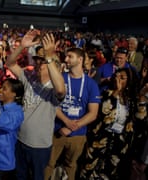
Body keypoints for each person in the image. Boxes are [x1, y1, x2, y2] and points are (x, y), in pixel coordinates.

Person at [6, 30, 66, 180]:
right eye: (37, 61)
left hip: (39, 146)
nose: (39, 64)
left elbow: (60, 90)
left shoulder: (54, 86)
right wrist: (22, 46)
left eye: (43, 62)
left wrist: (50, 57)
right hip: (20, 140)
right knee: (20, 176)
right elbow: (10, 63)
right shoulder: (29, 78)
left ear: (55, 67)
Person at [44, 47, 101, 180]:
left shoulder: (91, 84)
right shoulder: (60, 78)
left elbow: (93, 113)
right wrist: (66, 121)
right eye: (66, 56)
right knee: (48, 164)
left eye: (70, 56)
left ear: (80, 59)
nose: (66, 59)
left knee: (71, 166)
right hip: (56, 130)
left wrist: (70, 127)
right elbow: (52, 104)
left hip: (78, 134)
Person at [79, 68, 137, 180]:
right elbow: (104, 114)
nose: (118, 79)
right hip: (102, 137)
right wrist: (116, 93)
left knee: (109, 171)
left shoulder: (130, 100)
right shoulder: (107, 94)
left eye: (122, 78)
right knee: (89, 168)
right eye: (116, 76)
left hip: (118, 141)